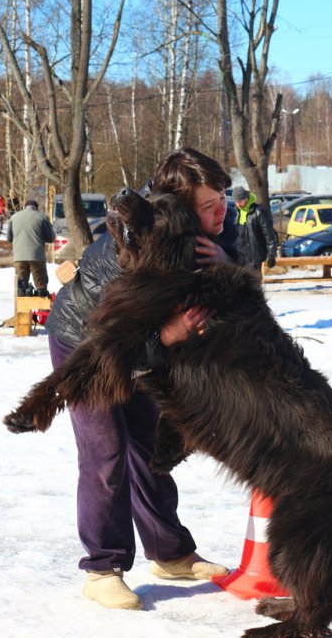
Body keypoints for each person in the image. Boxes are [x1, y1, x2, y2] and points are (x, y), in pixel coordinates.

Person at [45, 148, 240, 610]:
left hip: (145, 346)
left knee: (150, 447)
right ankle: (102, 568)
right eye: (210, 203)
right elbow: (115, 338)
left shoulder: (214, 229)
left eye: (224, 198)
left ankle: (170, 553)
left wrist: (228, 263)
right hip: (87, 344)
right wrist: (168, 334)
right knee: (106, 452)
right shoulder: (130, 249)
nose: (222, 210)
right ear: (177, 208)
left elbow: (244, 281)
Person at [6, 198, 55, 297]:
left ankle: (21, 308)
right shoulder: (42, 217)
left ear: (25, 207)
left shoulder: (14, 217)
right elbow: (50, 238)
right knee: (41, 287)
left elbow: (9, 238)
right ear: (36, 208)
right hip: (37, 256)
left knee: (21, 287)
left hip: (19, 257)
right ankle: (41, 305)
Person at [232, 185, 278, 270]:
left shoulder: (259, 212)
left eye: (240, 201)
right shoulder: (236, 212)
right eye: (236, 201)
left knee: (253, 282)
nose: (238, 204)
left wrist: (271, 255)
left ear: (246, 199)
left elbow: (269, 236)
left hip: (255, 258)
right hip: (239, 258)